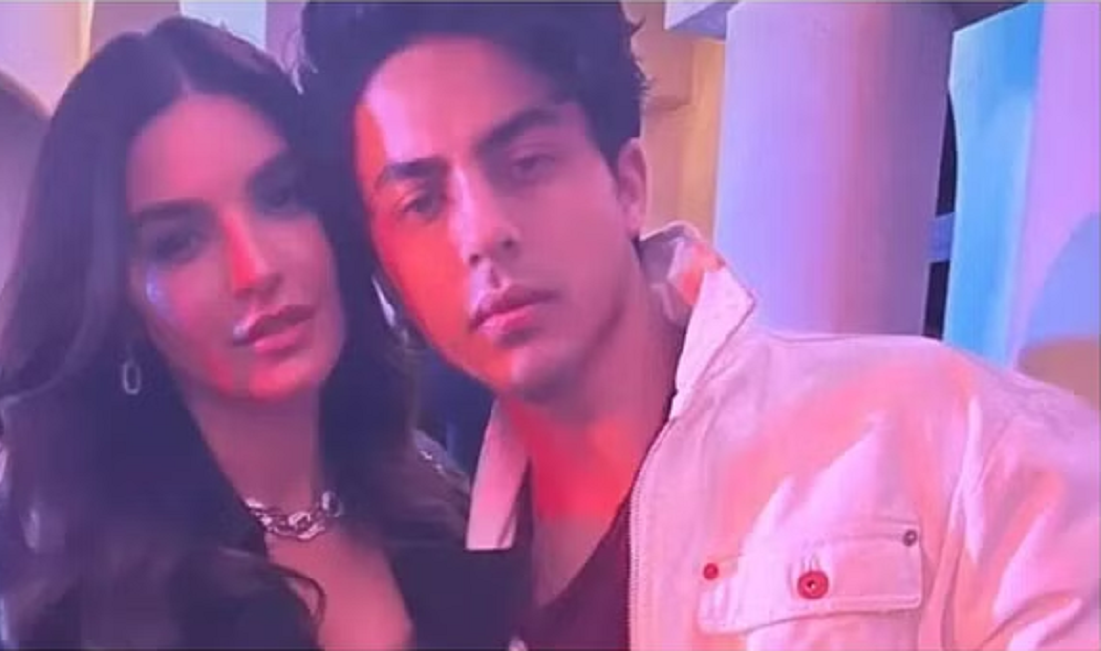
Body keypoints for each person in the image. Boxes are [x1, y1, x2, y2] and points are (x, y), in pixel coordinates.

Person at [296, 2, 1101, 648]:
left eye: (526, 163)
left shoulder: (949, 436)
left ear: (627, 184)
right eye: (421, 203)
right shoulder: (459, 575)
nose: (482, 231)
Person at [0, 16, 513, 650]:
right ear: (117, 302)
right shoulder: (58, 575)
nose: (257, 269)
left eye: (280, 197)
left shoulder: (440, 501)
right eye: (179, 243)